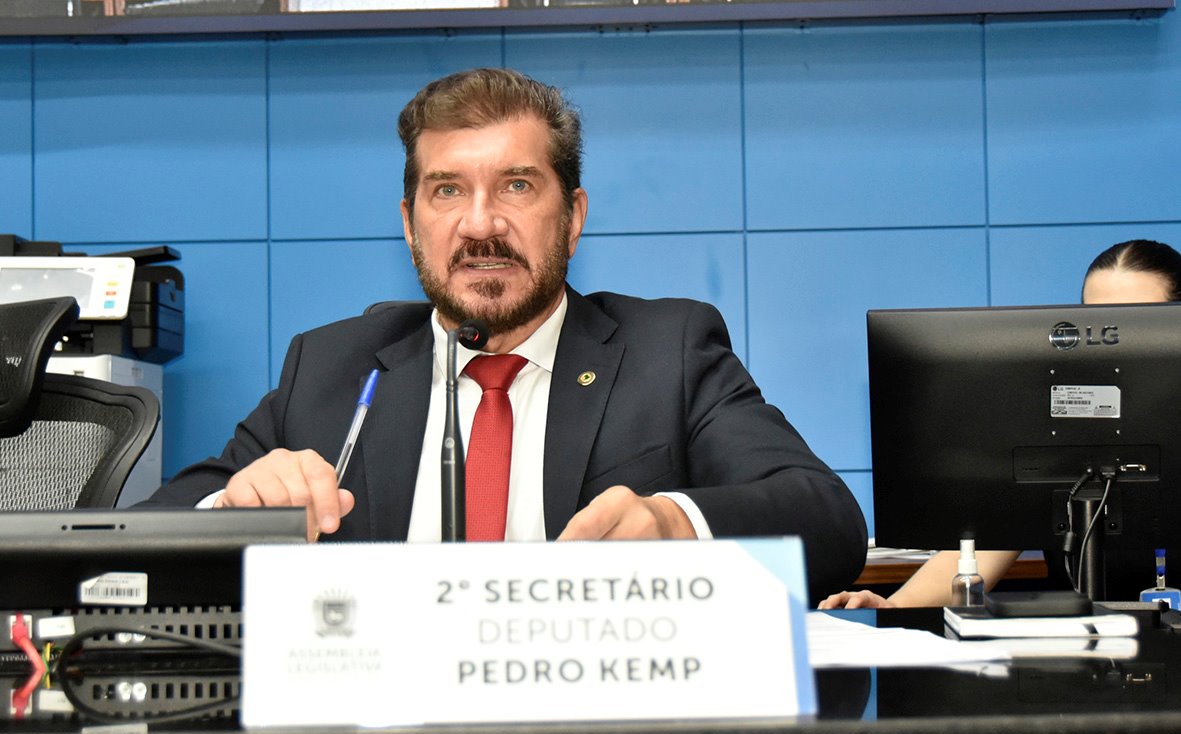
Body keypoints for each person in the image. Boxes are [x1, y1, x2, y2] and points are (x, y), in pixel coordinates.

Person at [143, 67, 867, 603]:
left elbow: (827, 521)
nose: (480, 223)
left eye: (516, 185)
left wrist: (672, 524)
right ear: (410, 224)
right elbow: (131, 548)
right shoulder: (336, 366)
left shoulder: (666, 351)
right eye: (447, 190)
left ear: (573, 217)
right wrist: (232, 511)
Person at [819, 238, 1181, 609]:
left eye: (1136, 322)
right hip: (1087, 639)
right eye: (1099, 324)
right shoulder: (1054, 430)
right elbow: (981, 546)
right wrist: (893, 608)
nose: (1114, 341)